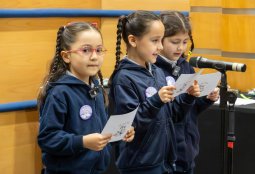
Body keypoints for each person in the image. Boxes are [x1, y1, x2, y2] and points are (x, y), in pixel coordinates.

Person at [108, 10, 200, 174]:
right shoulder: (124, 78)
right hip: (140, 164)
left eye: (161, 40)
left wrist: (188, 96)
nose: (160, 46)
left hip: (164, 161)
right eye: (155, 40)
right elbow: (125, 127)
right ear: (133, 40)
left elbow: (173, 116)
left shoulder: (156, 71)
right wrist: (155, 101)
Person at [37, 22, 135, 174]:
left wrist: (119, 132)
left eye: (99, 50)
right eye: (86, 50)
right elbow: (47, 139)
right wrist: (82, 142)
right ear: (66, 56)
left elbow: (99, 129)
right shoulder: (59, 93)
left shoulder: (95, 85)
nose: (94, 57)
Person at [155, 11, 220, 174]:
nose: (181, 47)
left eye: (185, 42)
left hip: (188, 151)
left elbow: (191, 109)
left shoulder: (185, 66)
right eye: (175, 42)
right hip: (165, 155)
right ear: (159, 40)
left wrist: (206, 99)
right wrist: (186, 97)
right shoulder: (154, 70)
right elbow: (164, 113)